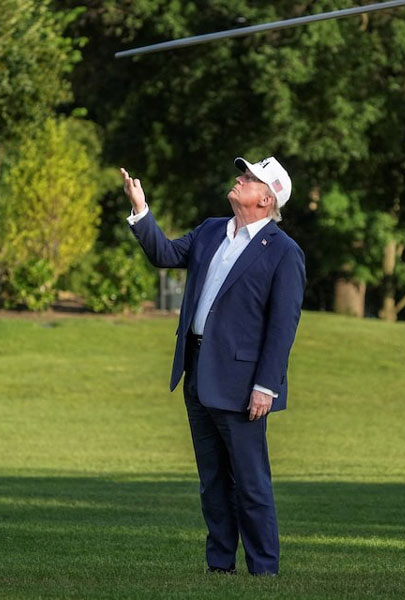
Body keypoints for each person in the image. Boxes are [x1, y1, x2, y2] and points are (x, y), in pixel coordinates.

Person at [121, 156, 305, 576]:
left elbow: (282, 328)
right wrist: (140, 210)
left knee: (251, 482)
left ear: (266, 197)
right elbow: (165, 254)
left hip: (243, 385)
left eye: (250, 178)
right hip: (197, 370)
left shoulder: (283, 253)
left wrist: (266, 386)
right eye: (243, 174)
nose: (240, 179)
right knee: (213, 481)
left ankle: (264, 568)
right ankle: (219, 564)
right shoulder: (209, 230)